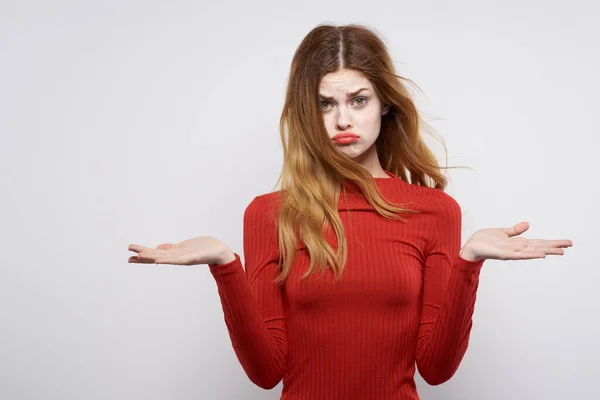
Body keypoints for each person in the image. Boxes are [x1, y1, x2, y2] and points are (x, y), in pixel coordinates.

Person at [127, 23, 573, 400]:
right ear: (307, 112)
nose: (343, 121)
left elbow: (435, 370)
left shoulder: (435, 212)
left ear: (385, 105)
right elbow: (266, 374)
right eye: (326, 103)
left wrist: (468, 263)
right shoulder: (269, 214)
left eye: (358, 100)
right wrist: (225, 265)